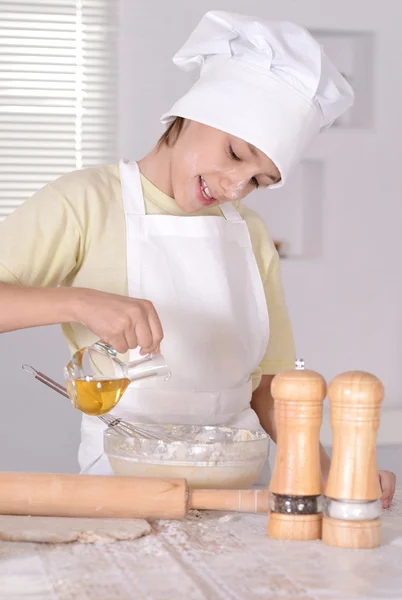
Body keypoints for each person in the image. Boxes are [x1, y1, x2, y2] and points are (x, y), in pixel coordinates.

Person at [0, 11, 395, 504]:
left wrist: (333, 473)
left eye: (258, 180)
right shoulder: (85, 201)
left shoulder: (247, 231)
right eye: (234, 153)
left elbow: (267, 388)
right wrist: (78, 303)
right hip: (123, 491)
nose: (235, 186)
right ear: (192, 111)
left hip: (237, 492)